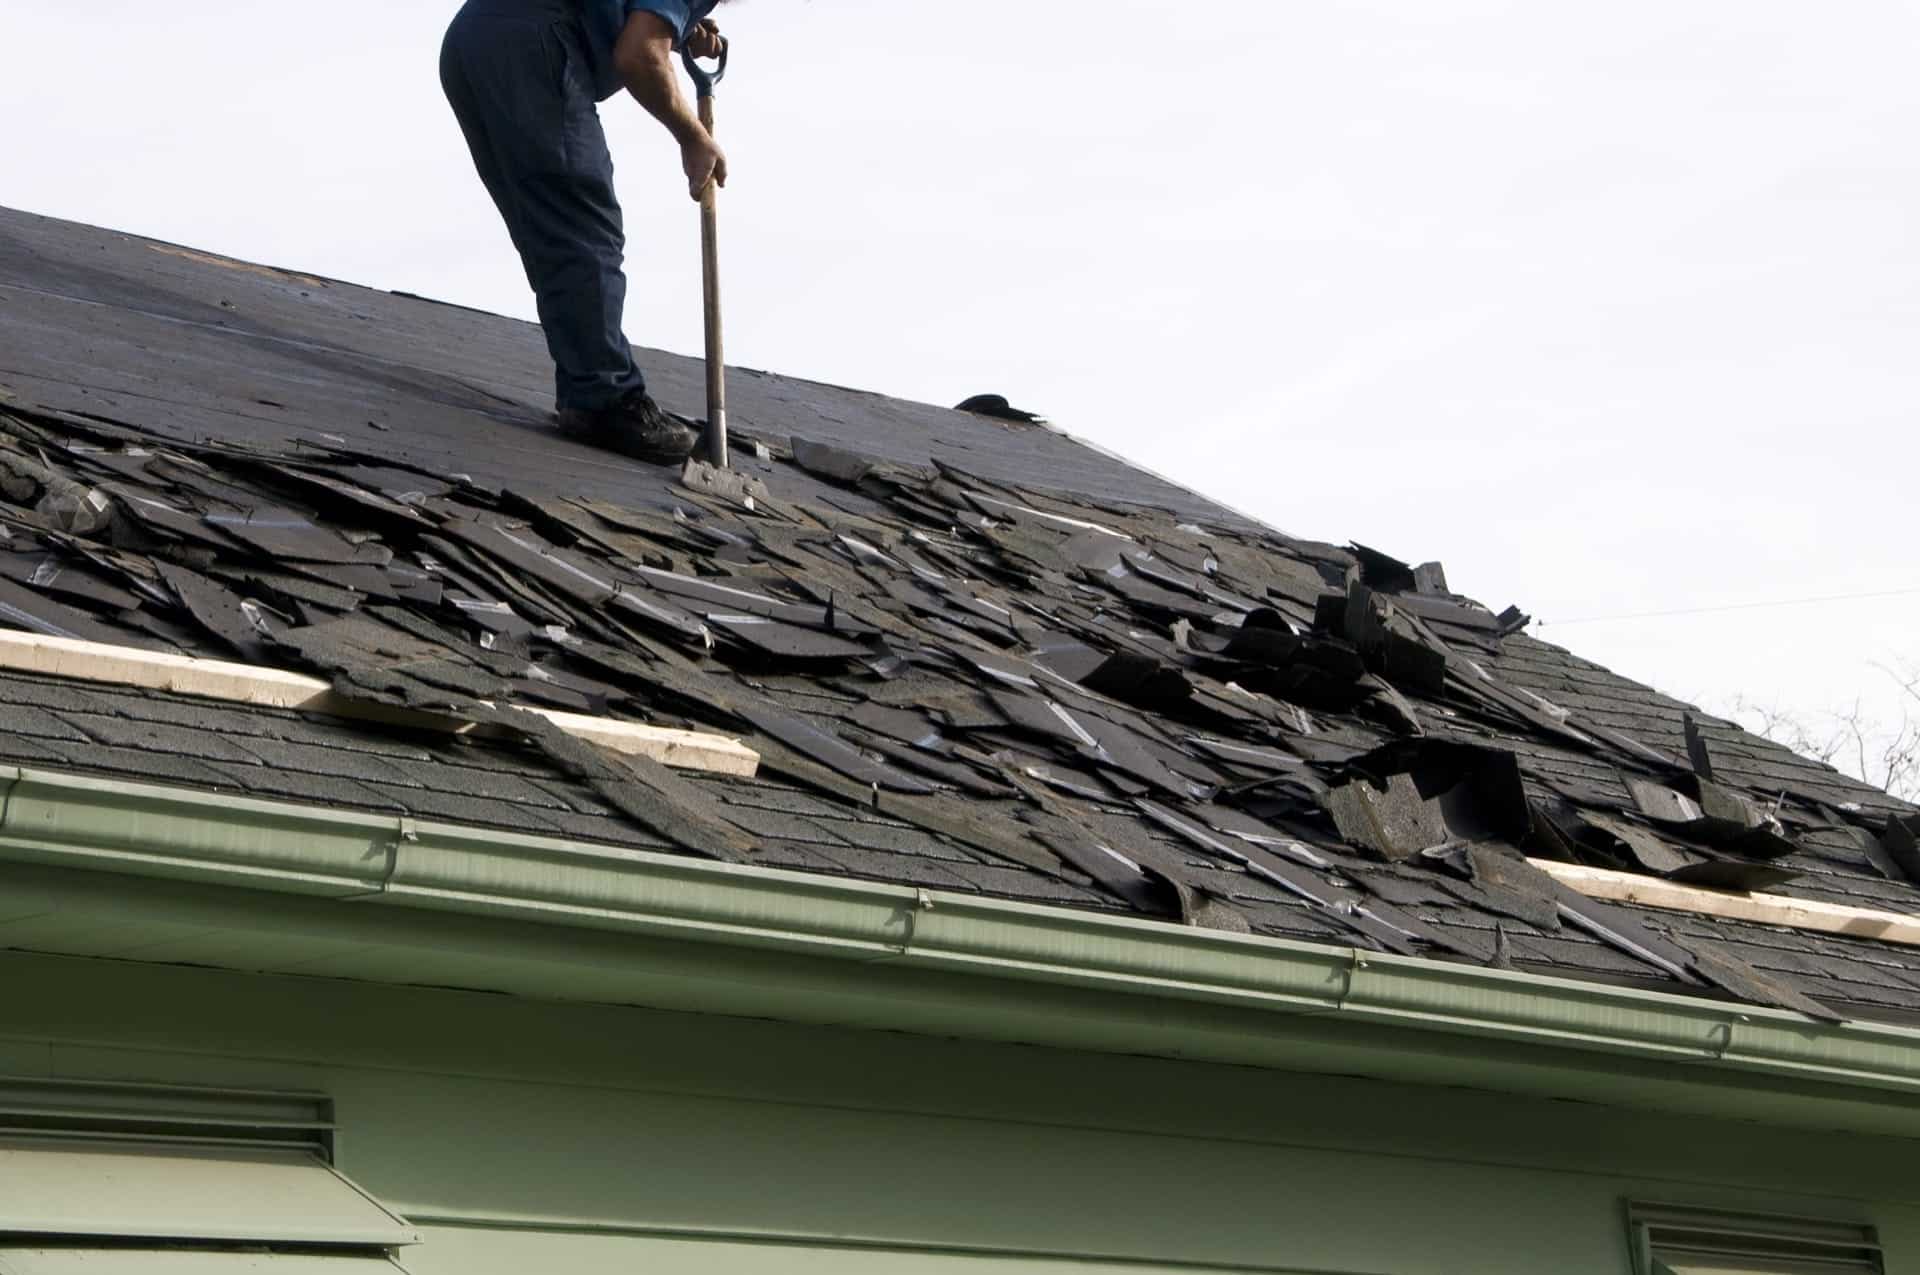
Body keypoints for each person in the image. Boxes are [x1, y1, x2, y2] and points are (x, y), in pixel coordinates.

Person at [440, 0, 730, 463]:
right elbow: (639, 54)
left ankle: (590, 390)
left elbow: (636, 22)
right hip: (531, 46)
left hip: (473, 42)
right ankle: (603, 399)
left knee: (553, 231)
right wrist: (692, 135)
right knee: (582, 228)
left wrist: (680, 25)